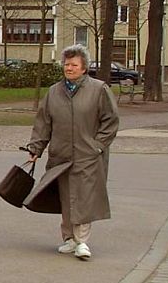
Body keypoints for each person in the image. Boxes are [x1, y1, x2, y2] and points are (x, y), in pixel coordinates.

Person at [25, 44, 119, 260]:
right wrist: (36, 148)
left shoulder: (99, 90)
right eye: (66, 64)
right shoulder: (54, 92)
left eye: (74, 65)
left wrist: (98, 145)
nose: (69, 68)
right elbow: (43, 123)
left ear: (84, 67)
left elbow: (111, 121)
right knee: (67, 198)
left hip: (88, 155)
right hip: (61, 155)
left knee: (84, 198)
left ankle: (82, 241)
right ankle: (69, 238)